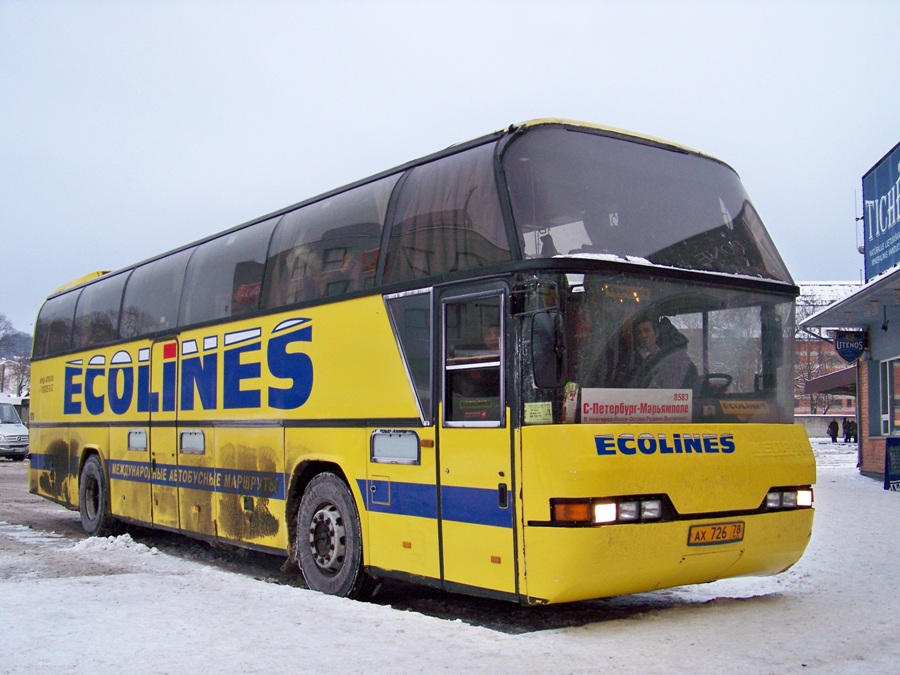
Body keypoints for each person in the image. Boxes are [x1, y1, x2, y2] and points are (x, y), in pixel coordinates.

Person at [630, 316, 697, 390]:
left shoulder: (670, 358)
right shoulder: (631, 361)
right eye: (638, 333)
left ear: (656, 334)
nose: (643, 336)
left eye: (646, 331)